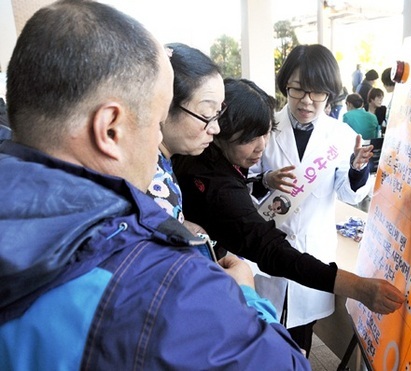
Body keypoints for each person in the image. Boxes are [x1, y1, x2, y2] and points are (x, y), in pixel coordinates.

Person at [0, 1, 311, 369]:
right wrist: (245, 292)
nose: (160, 145)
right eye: (157, 120)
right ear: (110, 129)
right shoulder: (168, 286)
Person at [173, 77, 404, 357]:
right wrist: (359, 287)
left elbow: (348, 190)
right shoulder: (216, 185)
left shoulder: (339, 134)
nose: (261, 147)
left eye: (266, 133)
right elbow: (270, 247)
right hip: (248, 269)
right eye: (249, 138)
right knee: (281, 351)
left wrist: (262, 182)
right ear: (219, 129)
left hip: (305, 247)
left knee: (300, 331)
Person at [253, 45, 403, 354]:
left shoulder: (341, 135)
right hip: (264, 249)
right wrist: (265, 180)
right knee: (260, 334)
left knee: (299, 341)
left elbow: (349, 193)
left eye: (317, 92)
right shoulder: (265, 126)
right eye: (297, 90)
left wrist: (357, 168)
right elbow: (242, 181)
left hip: (312, 252)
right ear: (286, 87)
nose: (306, 101)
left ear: (330, 93)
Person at [146, 42, 224, 236]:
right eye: (206, 115)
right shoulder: (150, 178)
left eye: (218, 113)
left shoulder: (159, 162)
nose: (216, 128)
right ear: (163, 106)